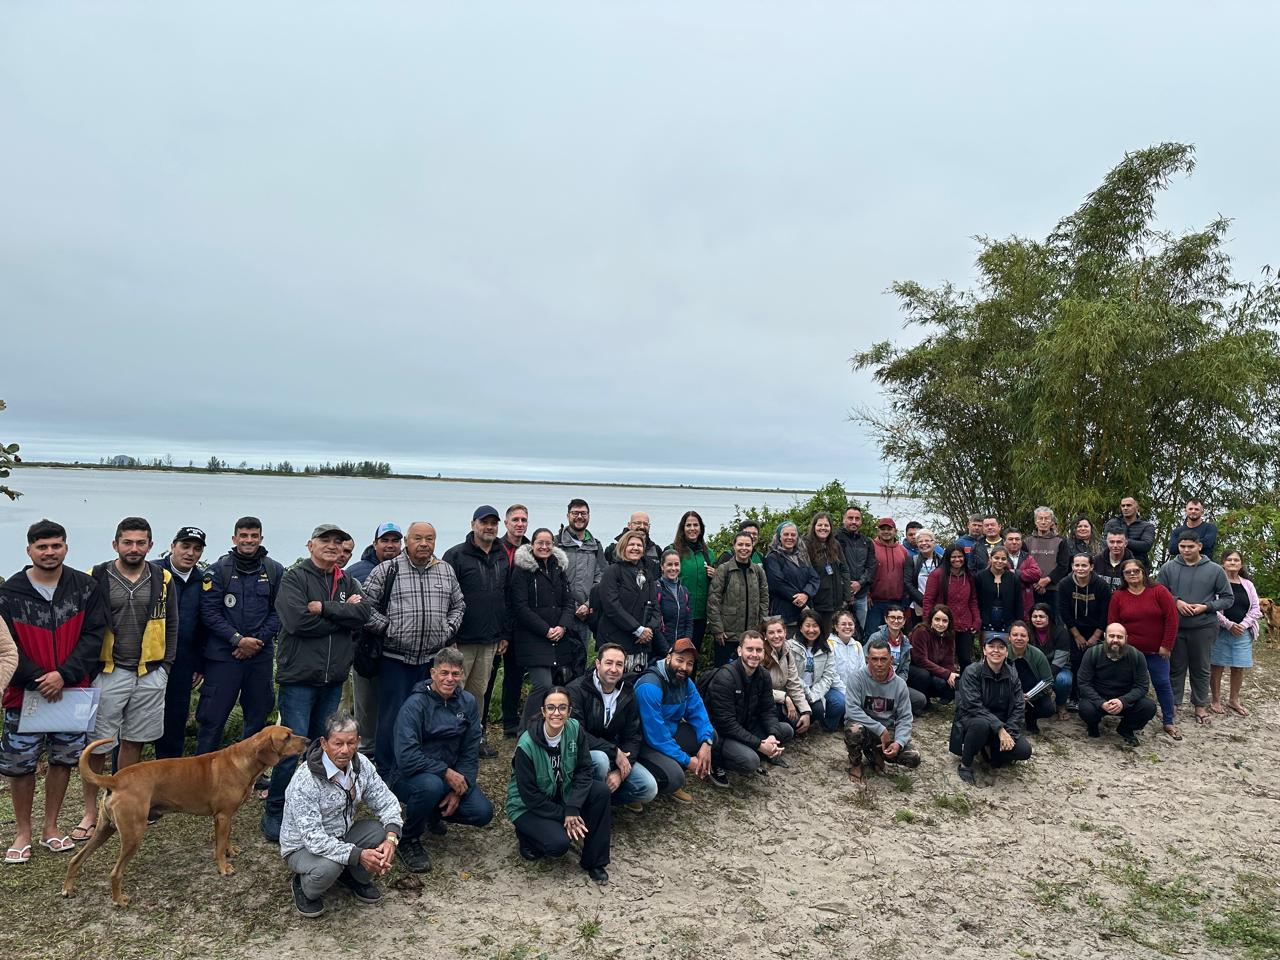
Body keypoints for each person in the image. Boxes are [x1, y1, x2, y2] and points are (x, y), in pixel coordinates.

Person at [1, 520, 106, 861]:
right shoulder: (9, 593)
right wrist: (37, 678)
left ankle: (51, 827)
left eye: (56, 545)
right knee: (21, 765)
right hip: (24, 692)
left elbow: (94, 636)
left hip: (72, 691)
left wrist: (63, 674)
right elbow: (6, 645)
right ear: (29, 550)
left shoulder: (85, 587)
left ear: (66, 547)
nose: (49, 552)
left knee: (64, 760)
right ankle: (22, 832)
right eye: (42, 547)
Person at [262, 524, 371, 842]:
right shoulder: (294, 578)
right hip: (299, 678)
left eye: (339, 542)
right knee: (288, 747)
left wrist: (325, 609)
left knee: (321, 746)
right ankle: (276, 809)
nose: (333, 546)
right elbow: (296, 621)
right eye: (326, 540)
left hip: (332, 678)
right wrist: (342, 616)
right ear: (310, 544)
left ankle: (314, 804)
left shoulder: (347, 579)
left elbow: (363, 613)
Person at [80, 517, 178, 841]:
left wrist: (166, 665)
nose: (134, 548)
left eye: (140, 542)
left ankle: (122, 802)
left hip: (150, 671)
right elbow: (86, 624)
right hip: (110, 670)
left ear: (150, 545)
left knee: (134, 741)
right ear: (115, 544)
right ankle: (91, 812)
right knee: (99, 742)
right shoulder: (98, 576)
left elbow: (173, 624)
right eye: (127, 542)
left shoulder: (162, 577)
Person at [361, 522, 465, 779]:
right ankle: (386, 770)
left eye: (429, 539)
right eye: (418, 538)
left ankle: (418, 766)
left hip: (430, 661)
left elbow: (459, 605)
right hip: (395, 659)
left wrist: (447, 629)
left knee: (427, 718)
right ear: (407, 540)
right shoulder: (387, 570)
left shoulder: (445, 571)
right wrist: (389, 628)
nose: (424, 544)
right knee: (392, 717)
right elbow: (364, 608)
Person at [280, 712, 403, 917]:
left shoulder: (361, 764)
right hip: (302, 847)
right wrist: (357, 855)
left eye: (351, 743)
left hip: (342, 834)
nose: (345, 750)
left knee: (382, 832)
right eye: (338, 743)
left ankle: (353, 876)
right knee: (330, 865)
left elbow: (386, 801)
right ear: (324, 743)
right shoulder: (305, 781)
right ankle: (304, 886)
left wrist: (391, 839)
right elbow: (314, 839)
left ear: (359, 742)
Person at [390, 647, 492, 873]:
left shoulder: (467, 703)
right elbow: (407, 757)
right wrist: (445, 772)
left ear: (462, 675)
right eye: (444, 673)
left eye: (455, 674)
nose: (450, 679)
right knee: (431, 786)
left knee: (483, 812)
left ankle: (431, 813)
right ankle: (408, 839)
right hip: (410, 776)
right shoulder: (415, 705)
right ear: (433, 673)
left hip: (451, 776)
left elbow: (470, 750)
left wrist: (459, 788)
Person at [196, 516, 284, 756]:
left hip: (259, 656)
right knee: (212, 718)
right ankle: (202, 773)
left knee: (257, 718)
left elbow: (279, 611)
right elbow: (209, 613)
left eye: (254, 536)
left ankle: (251, 773)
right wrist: (237, 640)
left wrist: (257, 642)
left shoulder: (275, 570)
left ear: (261, 538)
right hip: (224, 657)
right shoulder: (217, 570)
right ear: (234, 538)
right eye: (243, 535)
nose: (249, 540)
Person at [505, 687, 611, 884]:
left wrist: (572, 806)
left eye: (562, 708)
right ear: (543, 711)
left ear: (569, 712)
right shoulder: (526, 745)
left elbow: (584, 770)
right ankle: (526, 835)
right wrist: (566, 814)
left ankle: (595, 862)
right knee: (559, 844)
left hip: (562, 793)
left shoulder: (574, 729)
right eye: (551, 707)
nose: (556, 713)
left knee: (601, 792)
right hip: (528, 806)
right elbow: (530, 796)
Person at [442, 506, 511, 741]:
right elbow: (445, 598)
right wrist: (449, 637)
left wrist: (504, 633)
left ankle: (473, 737)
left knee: (478, 693)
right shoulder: (455, 555)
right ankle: (449, 736)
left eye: (493, 523)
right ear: (473, 525)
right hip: (461, 640)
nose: (489, 527)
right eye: (484, 522)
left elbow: (506, 596)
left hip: (490, 638)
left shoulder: (502, 556)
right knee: (453, 690)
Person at [566, 642, 657, 809]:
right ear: (598, 664)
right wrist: (614, 752)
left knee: (648, 788)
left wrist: (620, 773)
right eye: (609, 663)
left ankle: (604, 802)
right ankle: (587, 807)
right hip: (581, 753)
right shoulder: (577, 690)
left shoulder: (627, 692)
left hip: (613, 754)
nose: (614, 669)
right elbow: (575, 732)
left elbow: (633, 735)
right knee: (600, 760)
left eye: (619, 664)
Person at [1156, 532, 1232, 726]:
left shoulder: (1215, 570)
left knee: (1201, 667)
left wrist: (1206, 606)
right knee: (1175, 666)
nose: (1186, 550)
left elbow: (1228, 598)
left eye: (1190, 546)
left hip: (1204, 626)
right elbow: (1158, 593)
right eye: (1182, 547)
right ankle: (1172, 703)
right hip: (1175, 626)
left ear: (1199, 546)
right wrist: (1177, 602)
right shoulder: (1168, 568)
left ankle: (1200, 705)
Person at [344, 521, 403, 754]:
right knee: (366, 704)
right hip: (365, 649)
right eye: (385, 540)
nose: (390, 545)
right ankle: (366, 751)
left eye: (395, 540)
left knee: (393, 701)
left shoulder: (407, 569)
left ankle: (390, 748)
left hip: (398, 649)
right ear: (375, 543)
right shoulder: (356, 571)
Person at [634, 638, 718, 803]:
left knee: (711, 736)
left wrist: (707, 742)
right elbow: (656, 737)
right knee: (675, 778)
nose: (684, 667)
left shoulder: (685, 682)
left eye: (690, 663)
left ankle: (668, 767)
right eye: (680, 660)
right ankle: (638, 784)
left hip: (667, 736)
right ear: (668, 657)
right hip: (642, 743)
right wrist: (688, 761)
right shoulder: (650, 686)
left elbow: (699, 713)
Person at [702, 631, 792, 782]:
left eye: (759, 650)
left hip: (747, 724)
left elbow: (768, 710)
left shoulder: (763, 675)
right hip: (721, 734)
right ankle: (717, 763)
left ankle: (763, 748)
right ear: (739, 651)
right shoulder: (725, 678)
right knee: (751, 761)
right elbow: (726, 724)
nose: (754, 654)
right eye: (749, 649)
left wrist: (772, 736)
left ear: (764, 652)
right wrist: (758, 744)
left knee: (786, 730)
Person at [510, 528, 577, 725]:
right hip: (533, 637)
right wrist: (545, 629)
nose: (544, 547)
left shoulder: (558, 568)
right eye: (540, 542)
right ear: (532, 544)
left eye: (549, 543)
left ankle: (548, 727)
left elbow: (568, 602)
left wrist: (563, 626)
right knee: (542, 684)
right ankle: (525, 730)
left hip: (558, 637)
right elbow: (520, 607)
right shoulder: (522, 570)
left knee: (555, 686)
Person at [1107, 558, 1180, 739]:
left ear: (1143, 572)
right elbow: (1113, 623)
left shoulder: (1159, 591)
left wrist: (1166, 645)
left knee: (1162, 684)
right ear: (1123, 576)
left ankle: (1168, 721)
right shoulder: (1118, 595)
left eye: (1136, 571)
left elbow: (1172, 619)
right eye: (1128, 572)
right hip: (1128, 652)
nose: (1132, 574)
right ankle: (1126, 718)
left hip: (1156, 651)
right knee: (1127, 685)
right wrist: (1115, 647)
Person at [949, 634, 1032, 785]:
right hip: (973, 720)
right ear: (984, 650)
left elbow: (1019, 706)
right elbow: (973, 706)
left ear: (1007, 652)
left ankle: (991, 750)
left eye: (1001, 647)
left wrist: (1009, 733)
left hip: (1001, 725)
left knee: (1024, 751)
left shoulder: (1012, 674)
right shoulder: (972, 671)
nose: (996, 651)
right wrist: (1000, 729)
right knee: (981, 725)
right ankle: (966, 765)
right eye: (991, 646)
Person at [153, 527, 207, 759]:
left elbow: (206, 625)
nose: (190, 553)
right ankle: (123, 779)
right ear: (173, 546)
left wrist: (200, 664)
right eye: (185, 546)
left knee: (175, 722)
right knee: (135, 723)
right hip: (149, 659)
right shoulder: (152, 572)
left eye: (197, 549)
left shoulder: (204, 580)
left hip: (183, 662)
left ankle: (167, 784)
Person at [843, 638, 920, 785]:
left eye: (883, 659)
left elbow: (905, 718)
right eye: (874, 659)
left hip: (887, 731)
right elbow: (852, 710)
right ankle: (856, 764)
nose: (879, 664)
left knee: (913, 757)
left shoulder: (900, 684)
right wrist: (880, 730)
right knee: (853, 730)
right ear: (867, 659)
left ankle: (877, 755)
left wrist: (898, 742)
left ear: (891, 660)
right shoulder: (857, 678)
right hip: (864, 728)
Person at [555, 498, 607, 699]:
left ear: (589, 516)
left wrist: (588, 604)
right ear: (568, 515)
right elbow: (553, 578)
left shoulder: (595, 546)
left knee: (580, 661)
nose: (579, 517)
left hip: (585, 616)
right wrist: (572, 605)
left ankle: (574, 705)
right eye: (575, 513)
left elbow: (601, 578)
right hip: (560, 614)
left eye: (583, 513)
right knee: (557, 664)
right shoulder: (556, 542)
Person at [595, 529, 662, 677]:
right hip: (616, 640)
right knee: (614, 681)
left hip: (641, 644)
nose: (636, 548)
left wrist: (649, 629)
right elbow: (611, 605)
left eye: (639, 545)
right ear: (623, 547)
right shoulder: (613, 571)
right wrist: (637, 629)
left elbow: (655, 607)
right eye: (631, 544)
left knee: (637, 683)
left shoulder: (647, 574)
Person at [1076, 623, 1158, 745]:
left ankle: (1126, 728)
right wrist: (1101, 703)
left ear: (1126, 638)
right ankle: (1093, 726)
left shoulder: (1137, 656)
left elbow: (1142, 686)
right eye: (1111, 636)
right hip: (1099, 699)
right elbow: (1083, 683)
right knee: (1085, 708)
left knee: (1149, 707)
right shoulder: (1092, 653)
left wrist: (1122, 701)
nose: (1115, 640)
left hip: (1126, 700)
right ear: (1105, 636)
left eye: (1119, 637)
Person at [492, 505, 532, 738]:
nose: (519, 524)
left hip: (520, 623)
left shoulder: (530, 548)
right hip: (496, 621)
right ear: (506, 523)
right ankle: (480, 720)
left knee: (515, 675)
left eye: (523, 520)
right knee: (488, 676)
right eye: (515, 519)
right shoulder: (496, 548)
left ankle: (510, 720)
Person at [1056, 553, 1111, 712]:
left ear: (1091, 567)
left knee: (1095, 663)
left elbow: (1105, 612)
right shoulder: (1065, 584)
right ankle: (1074, 696)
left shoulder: (1101, 585)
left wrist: (1096, 636)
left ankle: (1094, 697)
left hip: (1096, 629)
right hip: (1074, 629)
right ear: (1072, 566)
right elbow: (1063, 611)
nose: (1080, 569)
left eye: (1084, 565)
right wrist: (1076, 635)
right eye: (1077, 565)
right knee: (1076, 662)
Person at [706, 530, 769, 667]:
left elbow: (764, 601)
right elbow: (713, 601)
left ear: (752, 547)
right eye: (740, 544)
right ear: (734, 546)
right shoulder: (724, 569)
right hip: (727, 635)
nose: (744, 548)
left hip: (751, 634)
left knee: (750, 669)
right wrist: (718, 629)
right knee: (724, 671)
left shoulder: (758, 571)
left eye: (748, 545)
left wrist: (762, 627)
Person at [1211, 549, 1260, 718]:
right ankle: (1215, 700)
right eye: (1229, 560)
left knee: (1239, 667)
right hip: (1220, 631)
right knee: (1217, 666)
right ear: (1223, 563)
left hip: (1243, 632)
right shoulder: (1216, 582)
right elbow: (1212, 606)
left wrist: (1243, 624)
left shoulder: (1248, 584)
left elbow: (1256, 608)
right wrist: (1229, 624)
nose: (1233, 563)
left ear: (1241, 563)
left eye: (1236, 560)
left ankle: (1234, 700)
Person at [923, 545, 981, 671]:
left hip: (965, 625)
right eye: (953, 557)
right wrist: (927, 623)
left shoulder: (969, 576)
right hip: (943, 625)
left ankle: (966, 688)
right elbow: (928, 601)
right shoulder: (937, 575)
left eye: (960, 556)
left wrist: (976, 620)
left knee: (965, 660)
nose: (957, 559)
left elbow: (973, 600)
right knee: (944, 661)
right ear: (947, 558)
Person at [788, 609, 845, 732]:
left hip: (815, 690)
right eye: (807, 626)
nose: (811, 630)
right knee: (804, 713)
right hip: (795, 689)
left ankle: (826, 726)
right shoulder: (790, 646)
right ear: (801, 627)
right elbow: (790, 674)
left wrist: (813, 695)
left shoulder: (826, 649)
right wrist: (805, 692)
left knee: (827, 707)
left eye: (815, 626)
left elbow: (828, 676)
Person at [864, 604, 928, 713]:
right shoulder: (876, 637)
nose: (896, 621)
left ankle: (892, 707)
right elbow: (865, 661)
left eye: (899, 618)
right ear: (886, 619)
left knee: (920, 700)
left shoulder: (905, 641)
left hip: (894, 681)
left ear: (904, 621)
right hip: (875, 683)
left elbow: (904, 669)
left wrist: (897, 684)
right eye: (892, 617)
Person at [669, 510, 715, 651]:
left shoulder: (708, 554)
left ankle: (691, 674)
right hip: (678, 613)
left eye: (696, 525)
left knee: (693, 653)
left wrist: (715, 575)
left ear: (701, 528)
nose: (692, 528)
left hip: (700, 614)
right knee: (676, 652)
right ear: (683, 528)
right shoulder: (673, 550)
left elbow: (715, 586)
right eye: (688, 525)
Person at [761, 616, 812, 741]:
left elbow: (794, 684)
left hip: (781, 700)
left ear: (785, 632)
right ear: (765, 636)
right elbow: (759, 690)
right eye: (771, 633)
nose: (776, 636)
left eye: (779, 631)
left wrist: (805, 711)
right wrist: (785, 698)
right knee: (788, 727)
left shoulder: (787, 653)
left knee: (803, 719)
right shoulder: (760, 655)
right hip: (765, 702)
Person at [763, 521, 819, 634]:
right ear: (779, 537)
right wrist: (801, 602)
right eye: (786, 534)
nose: (790, 537)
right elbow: (777, 584)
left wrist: (806, 594)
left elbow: (814, 578)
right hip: (784, 615)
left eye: (793, 535)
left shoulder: (802, 556)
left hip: (804, 615)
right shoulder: (773, 558)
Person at [805, 512, 851, 638]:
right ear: (814, 526)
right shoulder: (806, 545)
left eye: (826, 525)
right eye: (820, 525)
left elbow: (844, 570)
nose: (823, 528)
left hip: (836, 602)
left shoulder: (835, 545)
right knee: (818, 636)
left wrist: (847, 596)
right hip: (817, 602)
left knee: (834, 638)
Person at [1006, 621, 1055, 734]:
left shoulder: (1037, 654)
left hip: (1032, 695)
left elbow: (1048, 680)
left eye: (1023, 635)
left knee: (1048, 709)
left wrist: (1029, 696)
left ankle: (1030, 718)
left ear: (1028, 638)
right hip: (1008, 693)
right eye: (1015, 635)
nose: (1019, 638)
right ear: (1009, 637)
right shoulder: (1002, 653)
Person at [1027, 603, 1072, 722]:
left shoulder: (1060, 632)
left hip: (1058, 668)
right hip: (1034, 669)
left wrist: (1045, 679)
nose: (1037, 619)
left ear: (1049, 617)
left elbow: (1059, 661)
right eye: (1034, 616)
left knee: (1064, 680)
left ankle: (1061, 705)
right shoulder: (1027, 632)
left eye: (1041, 616)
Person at [908, 605, 959, 708]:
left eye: (944, 621)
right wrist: (946, 674)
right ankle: (922, 701)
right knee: (924, 675)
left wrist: (951, 676)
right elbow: (920, 660)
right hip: (915, 669)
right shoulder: (921, 632)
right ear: (931, 619)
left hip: (934, 669)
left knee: (954, 682)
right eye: (937, 619)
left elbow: (948, 661)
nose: (940, 624)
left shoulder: (949, 634)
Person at [834, 507, 877, 630]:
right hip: (840, 595)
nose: (854, 521)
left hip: (861, 594)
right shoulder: (835, 539)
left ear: (861, 521)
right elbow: (834, 566)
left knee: (858, 630)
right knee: (839, 629)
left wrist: (860, 583)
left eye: (857, 519)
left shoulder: (867, 542)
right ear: (843, 519)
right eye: (850, 518)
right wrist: (847, 586)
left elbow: (871, 567)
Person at [866, 518, 909, 635]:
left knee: (894, 636)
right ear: (878, 531)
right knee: (873, 636)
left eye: (889, 529)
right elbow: (864, 571)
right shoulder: (871, 547)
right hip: (875, 603)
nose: (886, 532)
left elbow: (907, 576)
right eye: (882, 529)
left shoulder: (902, 550)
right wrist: (867, 594)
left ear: (895, 531)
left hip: (897, 602)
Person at [974, 547, 1022, 642]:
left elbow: (1018, 602)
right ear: (990, 558)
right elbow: (976, 600)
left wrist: (1018, 623)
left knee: (1004, 650)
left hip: (1007, 620)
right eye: (996, 558)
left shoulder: (1013, 578)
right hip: (986, 620)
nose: (1000, 561)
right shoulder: (980, 577)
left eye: (1003, 559)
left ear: (1007, 560)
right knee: (988, 648)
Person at [1027, 507, 1071, 601]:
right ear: (1035, 521)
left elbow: (1063, 566)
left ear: (1051, 522)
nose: (1043, 522)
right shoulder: (1027, 542)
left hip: (1054, 589)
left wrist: (1047, 580)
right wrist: (1035, 583)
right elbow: (1023, 565)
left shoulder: (1061, 541)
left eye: (1046, 519)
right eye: (1040, 518)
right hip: (1031, 588)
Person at [655, 548, 692, 656]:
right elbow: (654, 624)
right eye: (669, 565)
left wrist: (685, 645)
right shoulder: (655, 589)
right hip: (660, 650)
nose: (673, 568)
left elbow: (689, 622)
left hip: (681, 649)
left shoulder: (684, 591)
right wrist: (667, 650)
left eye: (676, 564)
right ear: (662, 567)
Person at [604, 512, 662, 579]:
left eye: (645, 524)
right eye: (638, 523)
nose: (642, 527)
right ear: (629, 525)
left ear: (649, 527)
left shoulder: (656, 550)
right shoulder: (613, 550)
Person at [1104, 497, 1156, 570]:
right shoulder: (1112, 523)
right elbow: (1105, 543)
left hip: (1138, 566)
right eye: (1123, 506)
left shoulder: (1147, 526)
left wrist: (1123, 541)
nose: (1125, 508)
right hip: (1113, 565)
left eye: (1129, 505)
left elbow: (1146, 545)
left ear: (1136, 508)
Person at [1001, 530, 1043, 616]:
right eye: (1010, 539)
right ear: (1004, 542)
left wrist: (1016, 573)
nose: (1014, 542)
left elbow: (1037, 574)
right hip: (1003, 598)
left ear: (1021, 541)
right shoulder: (999, 557)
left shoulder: (1028, 557)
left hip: (1025, 600)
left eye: (1017, 539)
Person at [903, 528, 941, 623]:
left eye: (927, 540)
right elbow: (908, 583)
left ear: (934, 542)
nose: (924, 543)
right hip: (918, 606)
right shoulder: (912, 560)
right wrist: (924, 601)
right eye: (920, 541)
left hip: (938, 605)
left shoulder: (942, 560)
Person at [828, 609, 867, 693]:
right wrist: (846, 691)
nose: (847, 627)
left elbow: (862, 670)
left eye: (850, 624)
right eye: (843, 624)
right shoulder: (830, 644)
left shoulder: (857, 645)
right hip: (834, 689)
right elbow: (831, 674)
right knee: (841, 703)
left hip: (855, 689)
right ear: (836, 627)